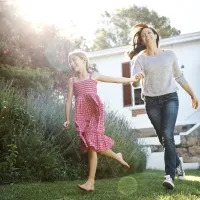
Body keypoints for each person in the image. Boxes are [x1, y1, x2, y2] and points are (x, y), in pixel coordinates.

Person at [127, 24, 199, 189]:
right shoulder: (140, 59)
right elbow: (134, 83)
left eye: (149, 33)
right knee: (164, 138)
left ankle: (169, 176)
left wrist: (193, 94)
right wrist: (137, 78)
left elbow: (179, 77)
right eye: (143, 35)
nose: (147, 36)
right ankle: (177, 162)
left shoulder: (169, 55)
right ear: (142, 40)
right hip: (151, 101)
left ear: (155, 35)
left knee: (167, 135)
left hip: (170, 99)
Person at [63, 49, 137, 192]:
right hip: (81, 116)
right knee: (93, 145)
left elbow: (115, 79)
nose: (72, 64)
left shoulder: (93, 76)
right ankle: (117, 156)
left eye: (74, 60)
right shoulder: (72, 81)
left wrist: (132, 79)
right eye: (70, 62)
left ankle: (90, 183)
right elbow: (68, 101)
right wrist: (67, 119)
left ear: (83, 60)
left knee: (91, 144)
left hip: (95, 114)